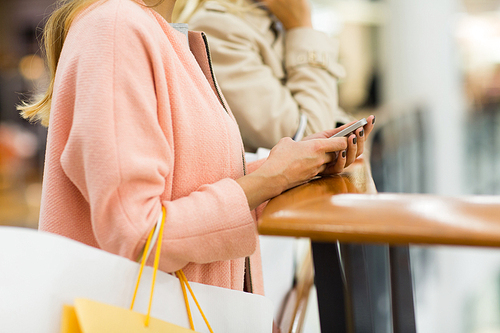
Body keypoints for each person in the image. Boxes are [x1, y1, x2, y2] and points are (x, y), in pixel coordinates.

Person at [18, 0, 374, 310]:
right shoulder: (115, 27)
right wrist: (271, 178)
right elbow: (139, 233)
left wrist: (289, 168)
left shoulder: (158, 33)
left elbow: (186, 183)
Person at [173, 0, 362, 153]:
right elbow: (307, 140)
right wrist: (302, 25)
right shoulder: (219, 26)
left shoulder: (269, 20)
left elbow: (325, 115)